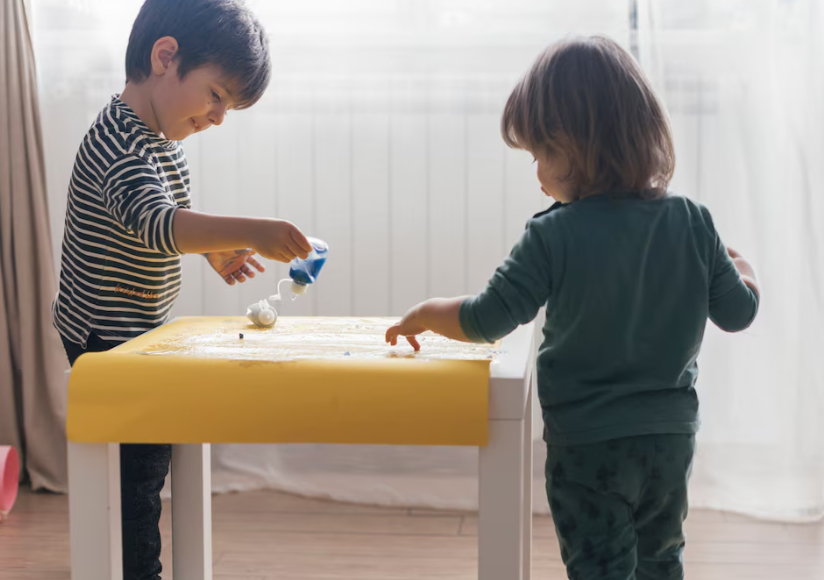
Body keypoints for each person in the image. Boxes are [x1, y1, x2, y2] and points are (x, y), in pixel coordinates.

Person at [387, 35, 760, 580]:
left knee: (599, 567)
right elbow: (739, 312)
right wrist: (743, 266)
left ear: (572, 145)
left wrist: (424, 311)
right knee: (661, 558)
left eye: (540, 154)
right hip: (667, 443)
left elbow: (486, 319)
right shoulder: (693, 222)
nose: (537, 170)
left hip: (586, 446)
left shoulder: (552, 235)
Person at [52, 1, 312, 578]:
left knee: (149, 460)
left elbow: (171, 215)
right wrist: (250, 231)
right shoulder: (118, 144)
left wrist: (214, 249)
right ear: (165, 57)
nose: (219, 117)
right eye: (216, 95)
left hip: (138, 330)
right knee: (138, 475)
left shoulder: (160, 141)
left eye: (230, 108)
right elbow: (156, 222)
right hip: (104, 336)